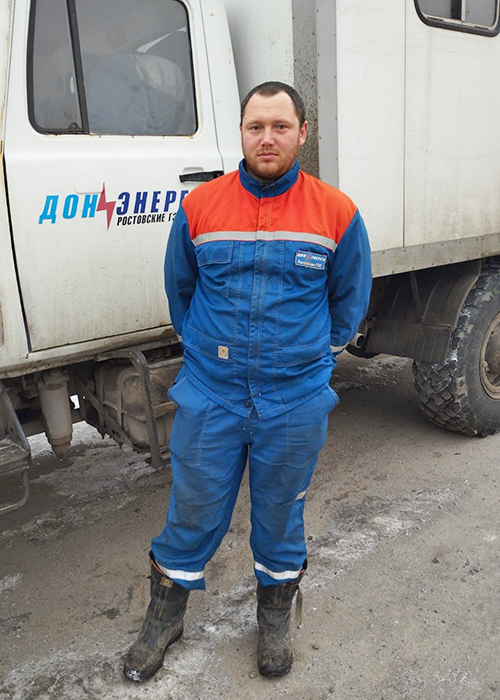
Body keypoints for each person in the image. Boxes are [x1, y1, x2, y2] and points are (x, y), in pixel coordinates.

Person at [123, 81, 372, 682]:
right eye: (255, 126)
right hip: (212, 394)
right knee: (192, 510)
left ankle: (274, 620)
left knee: (281, 515)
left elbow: (349, 301)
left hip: (294, 399)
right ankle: (164, 619)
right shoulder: (200, 207)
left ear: (302, 134)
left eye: (280, 126)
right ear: (240, 132)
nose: (267, 138)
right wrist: (208, 352)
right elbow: (181, 291)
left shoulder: (337, 213)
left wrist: (310, 357)